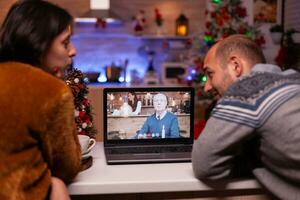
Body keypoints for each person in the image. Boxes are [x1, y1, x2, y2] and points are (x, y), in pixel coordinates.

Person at [192, 34, 300, 199]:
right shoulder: (293, 79)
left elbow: (204, 164)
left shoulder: (248, 89)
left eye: (210, 74)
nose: (207, 87)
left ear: (235, 66)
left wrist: (252, 156)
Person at [0, 1, 81, 199]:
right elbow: (67, 167)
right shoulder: (50, 90)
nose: (73, 51)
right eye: (65, 42)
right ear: (38, 43)